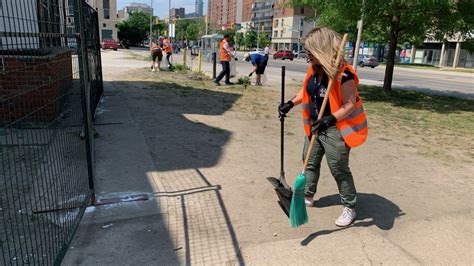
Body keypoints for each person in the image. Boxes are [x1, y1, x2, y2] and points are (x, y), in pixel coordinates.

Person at [278, 27, 368, 227]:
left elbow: (349, 103)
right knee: (309, 161)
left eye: (310, 51)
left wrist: (329, 119)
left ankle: (349, 206)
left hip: (335, 129)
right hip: (314, 126)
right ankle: (307, 195)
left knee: (338, 168)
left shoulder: (344, 74)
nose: (306, 54)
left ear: (321, 49)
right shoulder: (314, 69)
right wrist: (290, 103)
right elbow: (307, 91)